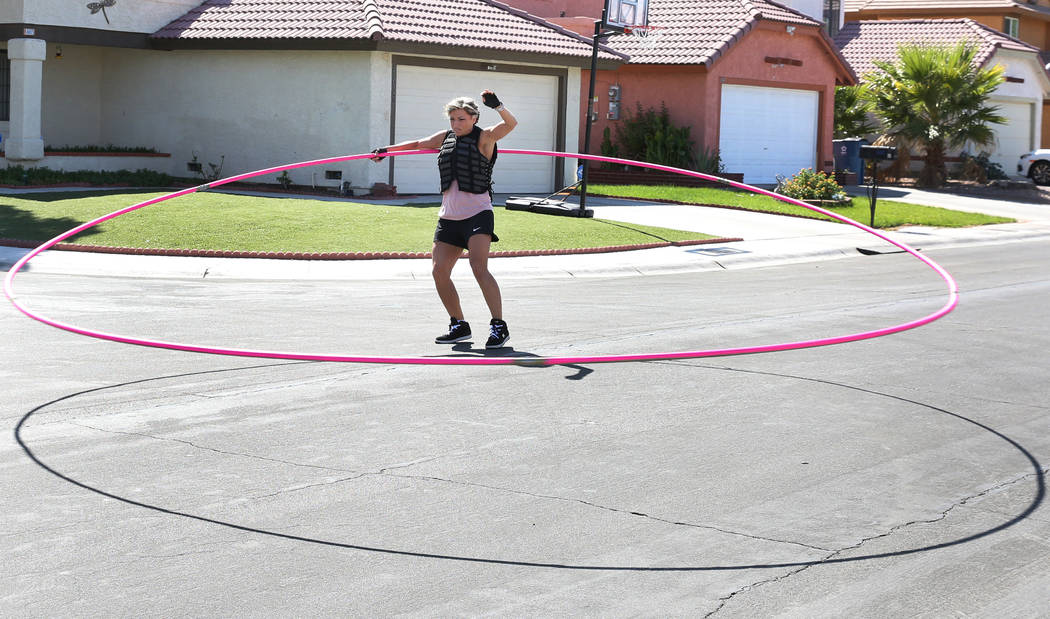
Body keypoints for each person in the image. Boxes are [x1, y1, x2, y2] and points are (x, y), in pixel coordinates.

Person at [371, 90, 518, 348]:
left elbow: (510, 125)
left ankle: (498, 326)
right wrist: (385, 150)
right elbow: (418, 144)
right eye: (452, 119)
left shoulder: (485, 137)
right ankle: (458, 324)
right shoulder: (446, 138)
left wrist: (498, 106)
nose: (455, 124)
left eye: (461, 119)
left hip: (477, 212)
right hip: (449, 217)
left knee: (478, 267)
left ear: (473, 118)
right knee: (439, 271)